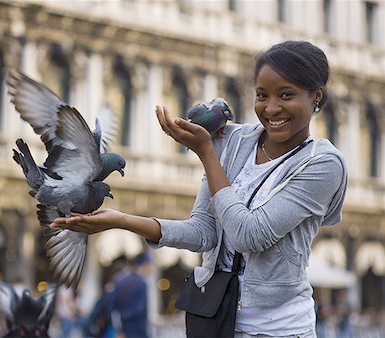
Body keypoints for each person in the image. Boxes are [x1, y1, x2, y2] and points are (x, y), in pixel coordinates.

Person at [51, 40, 348, 337]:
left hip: (281, 330)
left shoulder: (323, 164)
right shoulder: (232, 142)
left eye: (286, 95)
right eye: (261, 95)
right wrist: (121, 221)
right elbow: (204, 231)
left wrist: (206, 153)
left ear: (316, 96)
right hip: (216, 322)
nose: (271, 108)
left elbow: (249, 235)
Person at [110, 253, 152, 338]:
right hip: (138, 330)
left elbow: (112, 307)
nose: (151, 269)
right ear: (144, 264)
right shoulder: (141, 283)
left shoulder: (120, 280)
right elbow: (139, 308)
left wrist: (118, 328)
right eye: (150, 265)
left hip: (124, 329)